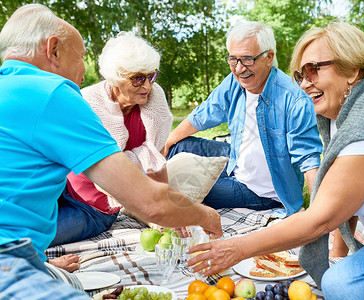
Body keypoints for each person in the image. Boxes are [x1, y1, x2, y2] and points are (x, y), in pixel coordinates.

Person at [187, 22, 364, 299]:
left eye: (313, 70)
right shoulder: (339, 118)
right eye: (300, 74)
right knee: (338, 282)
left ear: (352, 70)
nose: (303, 83)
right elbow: (348, 194)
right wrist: (337, 254)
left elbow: (321, 218)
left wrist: (238, 247)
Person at [0, 4, 222, 299]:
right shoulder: (54, 93)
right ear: (53, 50)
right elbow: (149, 202)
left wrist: (41, 264)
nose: (83, 71)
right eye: (80, 58)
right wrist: (205, 216)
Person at [163, 21, 322, 216]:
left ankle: (147, 190)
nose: (239, 69)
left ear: (268, 57)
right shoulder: (235, 83)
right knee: (176, 145)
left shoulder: (294, 99)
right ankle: (139, 183)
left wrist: (321, 215)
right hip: (235, 160)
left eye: (247, 59)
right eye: (233, 59)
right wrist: (167, 142)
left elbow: (309, 160)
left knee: (181, 187)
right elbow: (202, 115)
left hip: (260, 192)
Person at [50, 32, 173, 246]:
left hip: (93, 207)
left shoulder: (155, 105)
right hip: (60, 186)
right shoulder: (88, 102)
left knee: (33, 237)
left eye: (151, 76)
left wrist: (165, 208)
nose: (147, 86)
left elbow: (156, 162)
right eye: (137, 78)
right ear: (116, 77)